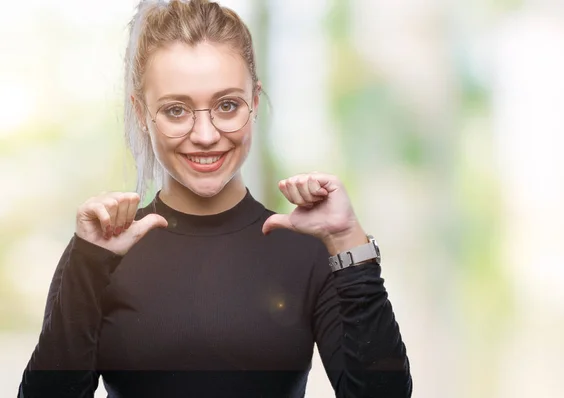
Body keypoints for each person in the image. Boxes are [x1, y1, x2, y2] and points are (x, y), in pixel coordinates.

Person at [18, 0, 412, 397]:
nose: (205, 135)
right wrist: (88, 264)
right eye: (176, 110)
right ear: (141, 112)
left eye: (227, 105)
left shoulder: (309, 251)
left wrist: (348, 241)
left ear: (254, 102)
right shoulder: (100, 252)